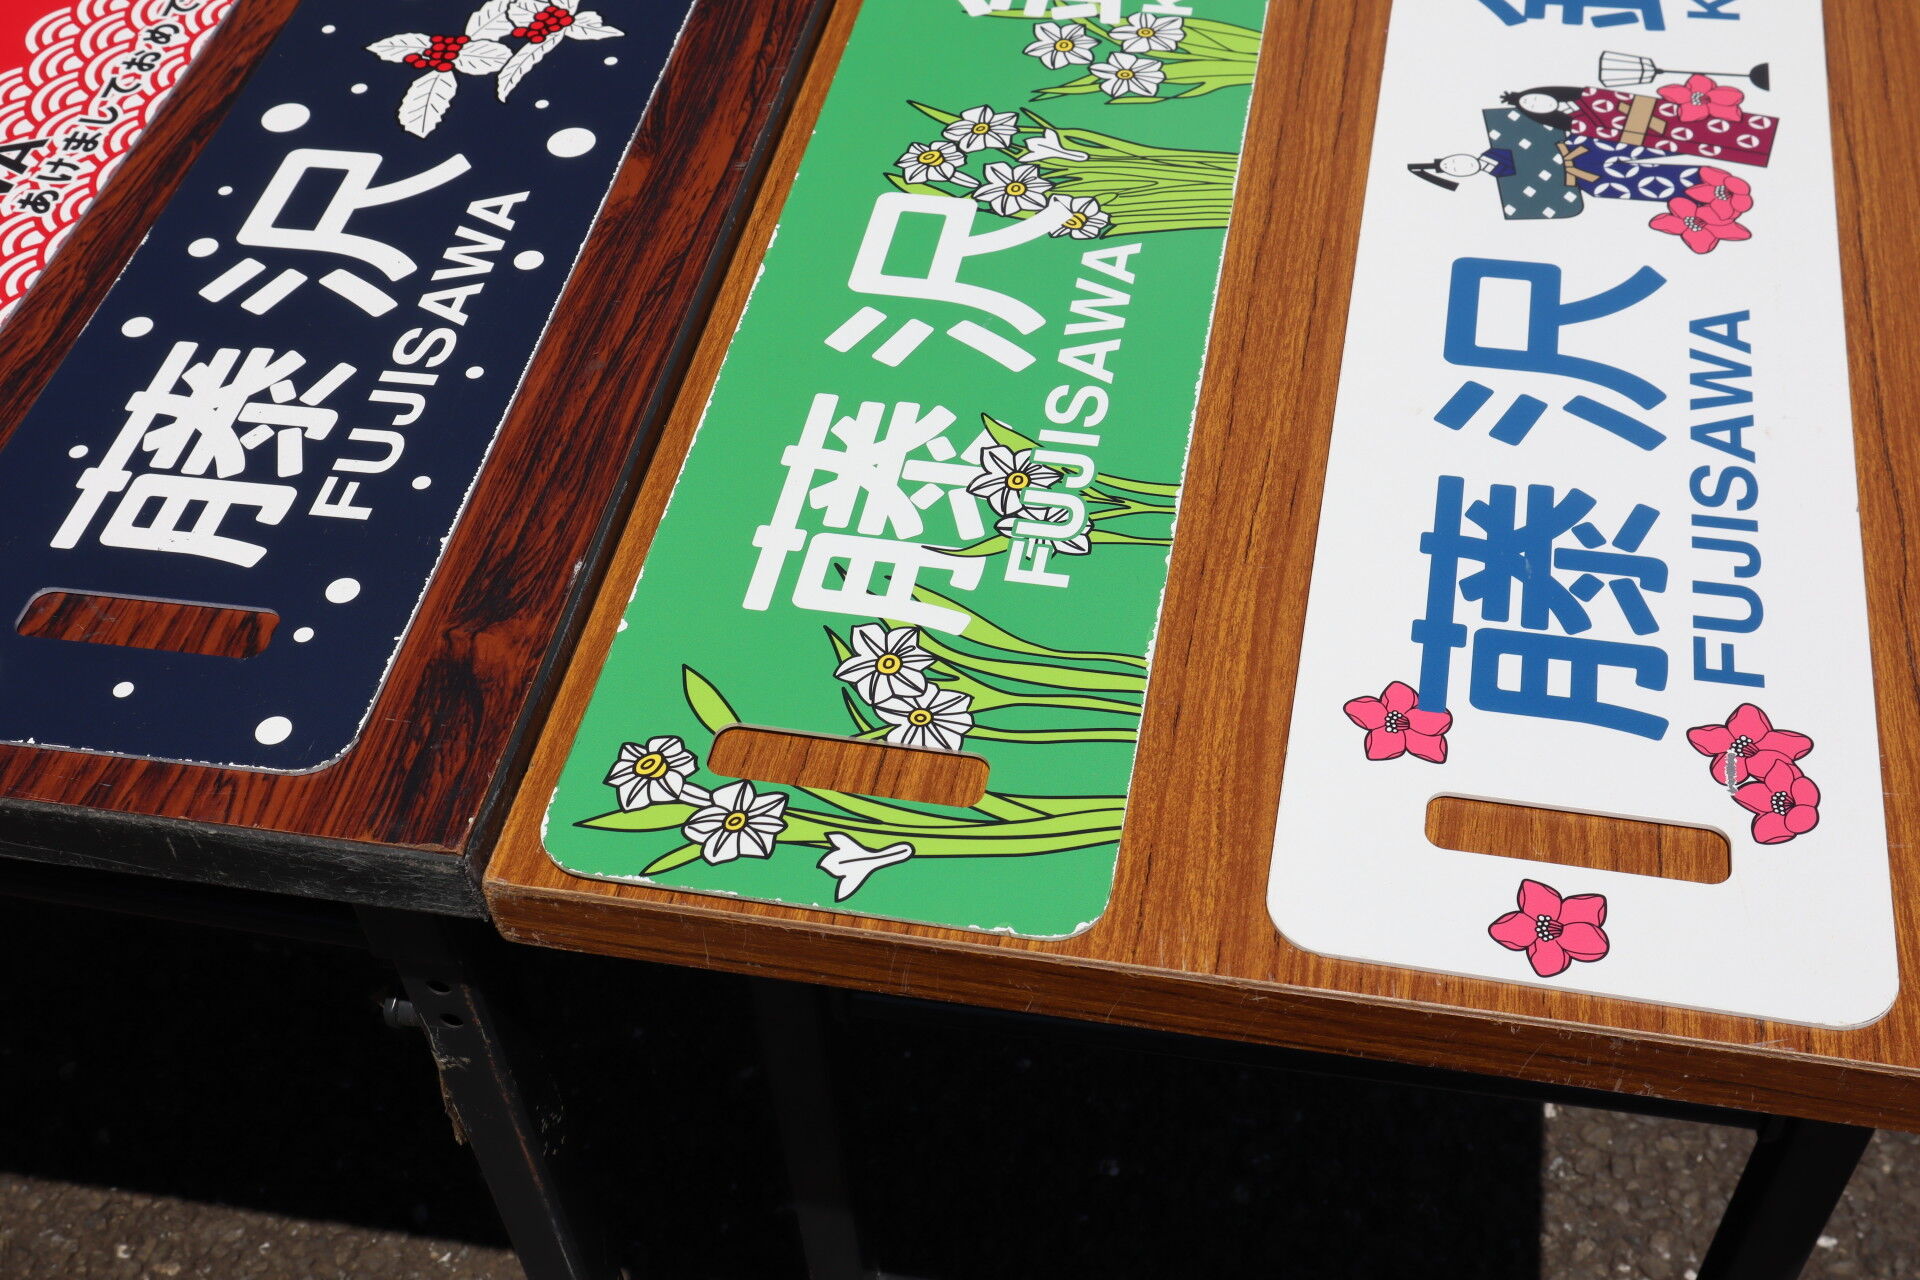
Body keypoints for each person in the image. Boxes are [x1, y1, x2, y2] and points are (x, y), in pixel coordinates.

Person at [1500, 83, 1774, 168]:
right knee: (1706, 143)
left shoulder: (1588, 95)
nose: (1538, 103)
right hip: (1655, 135)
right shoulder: (1577, 124)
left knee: (1719, 123)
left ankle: (1760, 134)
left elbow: (1626, 102)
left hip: (1667, 114)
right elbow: (1608, 131)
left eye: (1534, 98)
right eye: (1531, 106)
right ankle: (1753, 152)